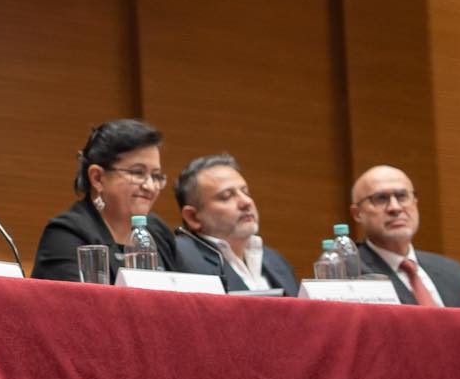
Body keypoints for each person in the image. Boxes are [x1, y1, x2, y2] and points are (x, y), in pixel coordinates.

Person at [33, 118, 183, 281]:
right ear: (98, 178)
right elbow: (74, 304)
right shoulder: (66, 234)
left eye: (156, 176)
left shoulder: (157, 230)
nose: (150, 186)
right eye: (137, 173)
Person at [172, 153, 297, 295]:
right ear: (193, 217)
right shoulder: (180, 257)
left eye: (245, 192)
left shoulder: (276, 260)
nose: (246, 202)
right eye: (226, 196)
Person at [348, 165, 460, 307]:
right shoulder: (349, 273)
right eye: (380, 198)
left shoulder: (453, 272)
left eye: (402, 196)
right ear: (357, 214)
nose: (395, 207)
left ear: (415, 203)